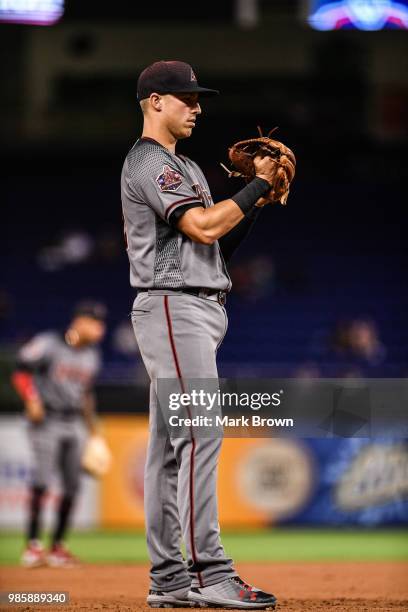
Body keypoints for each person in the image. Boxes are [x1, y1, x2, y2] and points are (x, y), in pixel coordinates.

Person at [121, 60, 278, 609]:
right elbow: (203, 225)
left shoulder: (185, 166)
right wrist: (258, 181)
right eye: (185, 97)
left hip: (196, 305)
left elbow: (214, 246)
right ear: (155, 101)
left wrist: (255, 200)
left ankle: (169, 582)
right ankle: (211, 572)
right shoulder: (148, 162)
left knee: (170, 450)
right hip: (174, 306)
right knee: (201, 432)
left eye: (197, 98)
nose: (196, 106)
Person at [11, 301, 106, 568]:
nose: (100, 329)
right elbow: (20, 371)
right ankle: (32, 546)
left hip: (74, 421)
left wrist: (94, 431)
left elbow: (86, 395)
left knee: (73, 487)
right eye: (95, 322)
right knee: (41, 482)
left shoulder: (92, 356)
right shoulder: (48, 344)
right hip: (47, 419)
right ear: (79, 321)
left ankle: (57, 548)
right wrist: (31, 399)